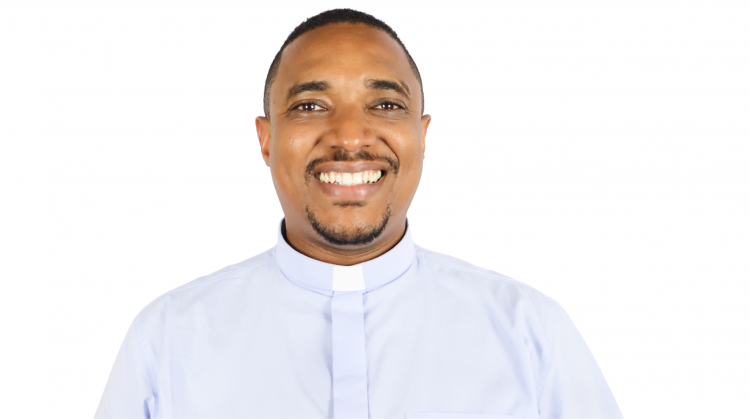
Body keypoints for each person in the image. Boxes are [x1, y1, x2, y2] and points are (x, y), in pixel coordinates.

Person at [95, 8, 622, 419]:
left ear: (422, 135)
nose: (349, 137)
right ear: (266, 139)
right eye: (310, 106)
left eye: (386, 105)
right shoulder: (168, 341)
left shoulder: (531, 334)